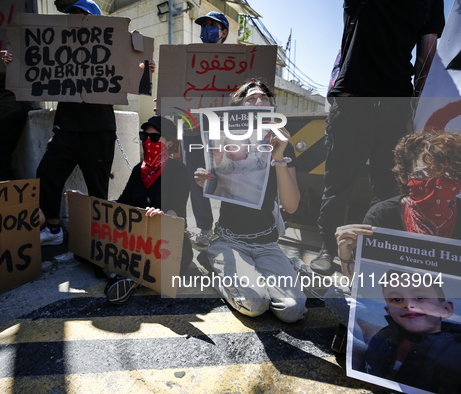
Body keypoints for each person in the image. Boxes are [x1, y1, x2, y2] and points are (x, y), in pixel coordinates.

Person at [2, 0, 155, 246]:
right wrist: (14, 63)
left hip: (99, 130)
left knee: (98, 188)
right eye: (71, 15)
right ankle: (53, 229)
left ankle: (100, 236)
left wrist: (144, 69)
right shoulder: (57, 48)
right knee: (47, 173)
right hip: (66, 129)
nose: (74, 19)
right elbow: (32, 65)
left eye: (80, 14)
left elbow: (136, 74)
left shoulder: (112, 48)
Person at [312, 0, 446, 275]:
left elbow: (427, 55)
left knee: (388, 186)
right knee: (339, 182)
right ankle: (328, 248)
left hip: (396, 101)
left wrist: (415, 106)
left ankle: (369, 253)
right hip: (353, 96)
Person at [326, 131, 461, 352]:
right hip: (397, 310)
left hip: (445, 313)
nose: (436, 182)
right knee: (336, 296)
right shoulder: (382, 215)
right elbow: (361, 285)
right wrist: (345, 254)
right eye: (424, 172)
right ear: (406, 175)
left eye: (446, 173)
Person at [194, 80, 307, 322]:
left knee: (292, 310)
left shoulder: (282, 143)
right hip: (230, 240)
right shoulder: (227, 141)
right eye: (251, 99)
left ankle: (254, 274)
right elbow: (216, 174)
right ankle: (214, 261)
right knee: (255, 304)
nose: (258, 102)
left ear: (272, 108)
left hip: (267, 243)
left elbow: (291, 206)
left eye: (264, 99)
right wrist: (205, 178)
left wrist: (278, 156)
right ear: (239, 108)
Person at [103, 116, 192, 304]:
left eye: (153, 137)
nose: (147, 141)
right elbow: (122, 203)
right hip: (137, 240)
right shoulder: (138, 170)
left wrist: (163, 217)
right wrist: (94, 205)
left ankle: (131, 278)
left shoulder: (178, 170)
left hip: (166, 240)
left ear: (169, 143)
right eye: (144, 137)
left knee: (174, 261)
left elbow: (177, 209)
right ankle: (136, 276)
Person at [359, 269, 460, 393]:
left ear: (446, 309)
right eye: (396, 299)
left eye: (420, 297)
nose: (408, 304)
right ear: (388, 311)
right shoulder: (381, 339)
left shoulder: (456, 352)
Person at [181, 11, 231, 248]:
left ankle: (229, 227)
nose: (206, 29)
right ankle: (204, 228)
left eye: (213, 25)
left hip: (223, 133)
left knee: (227, 179)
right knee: (196, 181)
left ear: (223, 33)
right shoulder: (188, 59)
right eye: (204, 25)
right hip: (192, 131)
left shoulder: (235, 62)